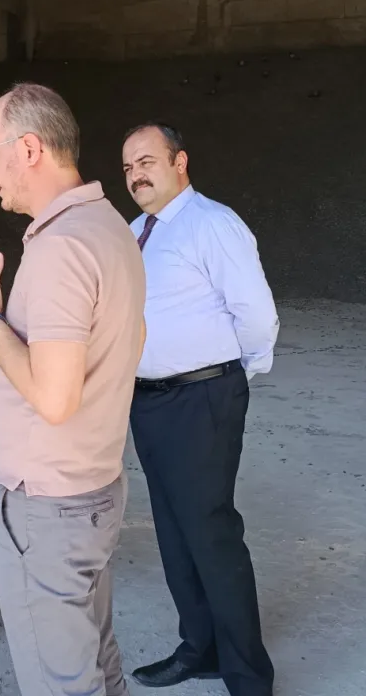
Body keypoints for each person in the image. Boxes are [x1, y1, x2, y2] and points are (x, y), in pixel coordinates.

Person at [0, 82, 146, 696]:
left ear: (28, 149)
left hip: (46, 505)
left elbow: (54, 398)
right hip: (89, 487)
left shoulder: (61, 247)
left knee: (61, 680)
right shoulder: (109, 227)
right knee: (94, 658)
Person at [119, 122, 280, 696]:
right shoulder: (135, 232)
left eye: (147, 161)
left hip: (203, 397)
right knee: (173, 531)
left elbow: (256, 314)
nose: (136, 175)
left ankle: (247, 676)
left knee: (211, 534)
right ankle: (201, 648)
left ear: (180, 161)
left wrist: (232, 377)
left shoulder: (213, 223)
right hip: (149, 400)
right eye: (128, 167)